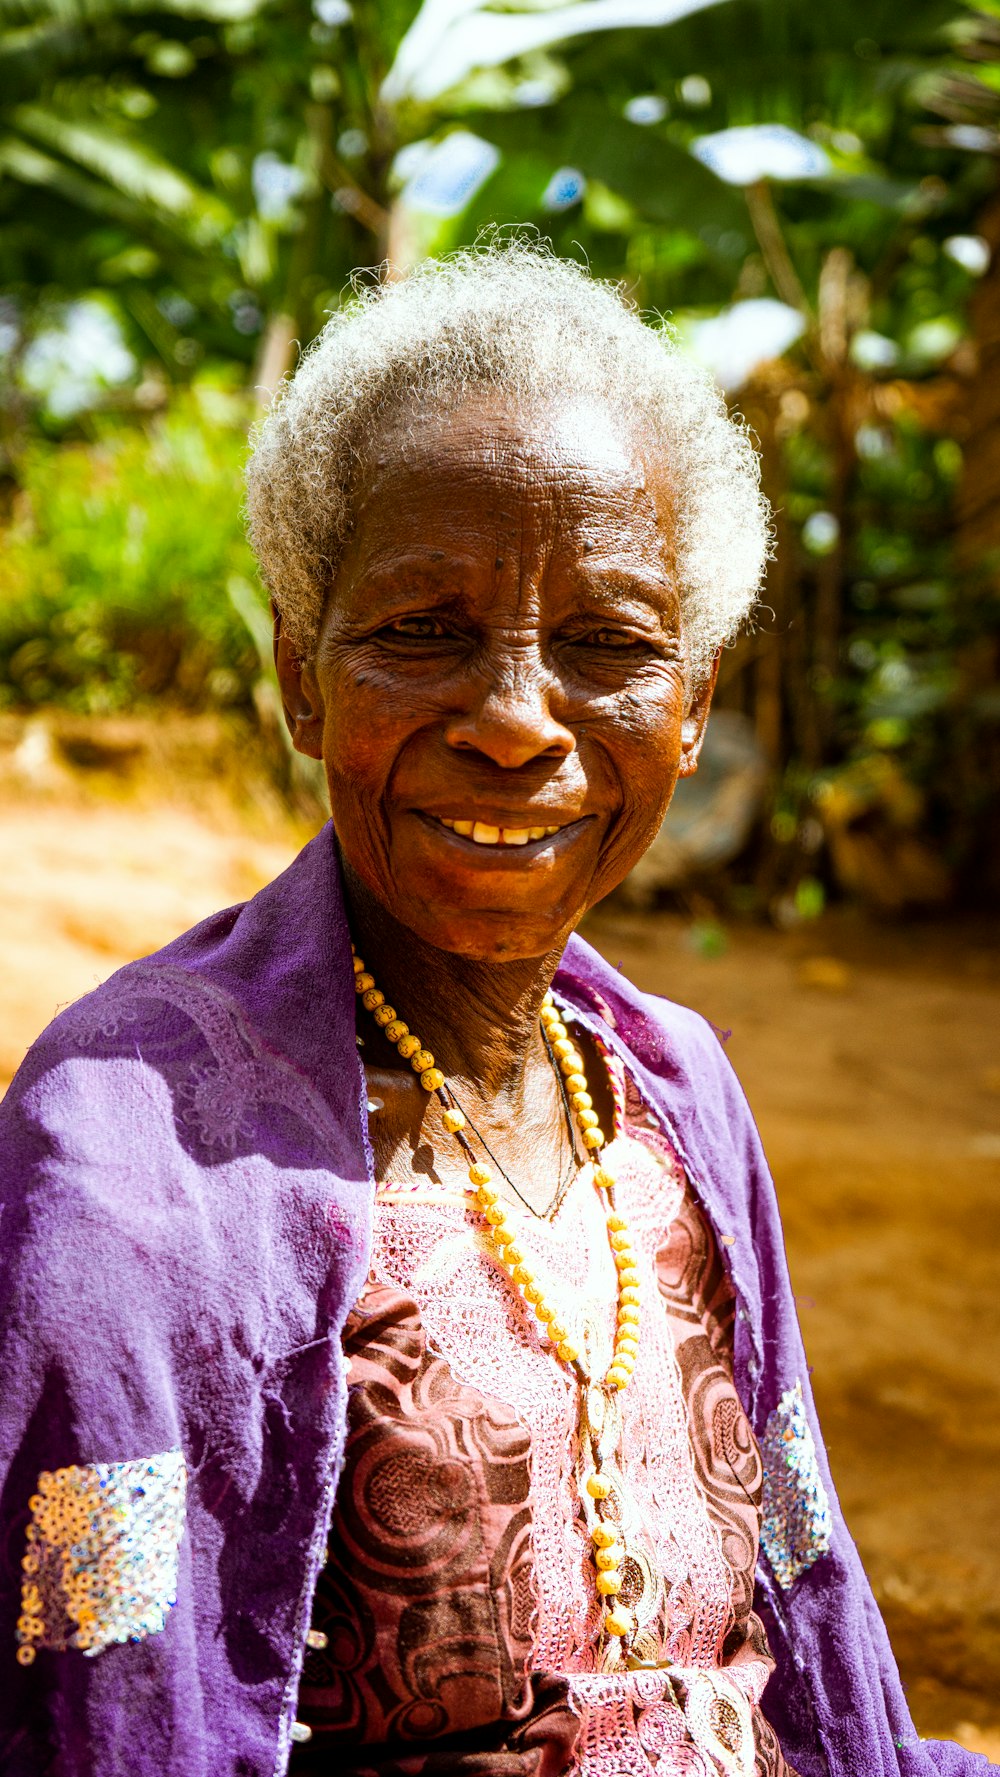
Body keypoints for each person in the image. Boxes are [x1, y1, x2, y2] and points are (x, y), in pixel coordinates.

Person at [0, 243, 991, 1777]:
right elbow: (107, 1723)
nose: (522, 718)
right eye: (422, 629)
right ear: (301, 678)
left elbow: (800, 1623)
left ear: (694, 705)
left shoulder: (676, 1089)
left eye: (608, 644)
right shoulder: (134, 1152)